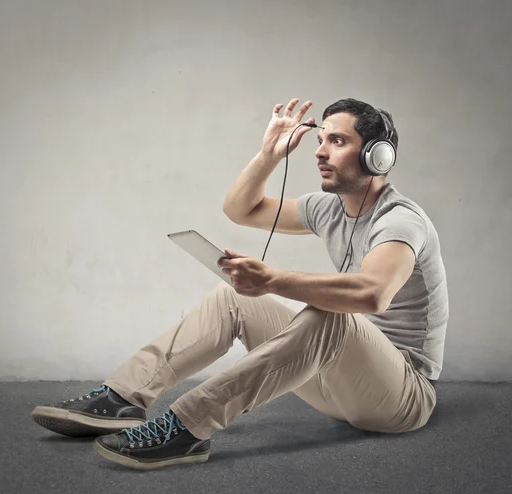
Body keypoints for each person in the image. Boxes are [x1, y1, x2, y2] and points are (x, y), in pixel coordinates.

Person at [32, 97, 449, 471]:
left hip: (401, 396)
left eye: (337, 142)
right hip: (338, 384)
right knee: (232, 296)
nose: (320, 151)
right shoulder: (330, 209)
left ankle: (187, 426)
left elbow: (372, 293)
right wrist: (268, 154)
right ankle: (122, 398)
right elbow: (240, 209)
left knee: (332, 316)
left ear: (377, 157)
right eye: (320, 139)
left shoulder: (400, 221)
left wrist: (273, 280)